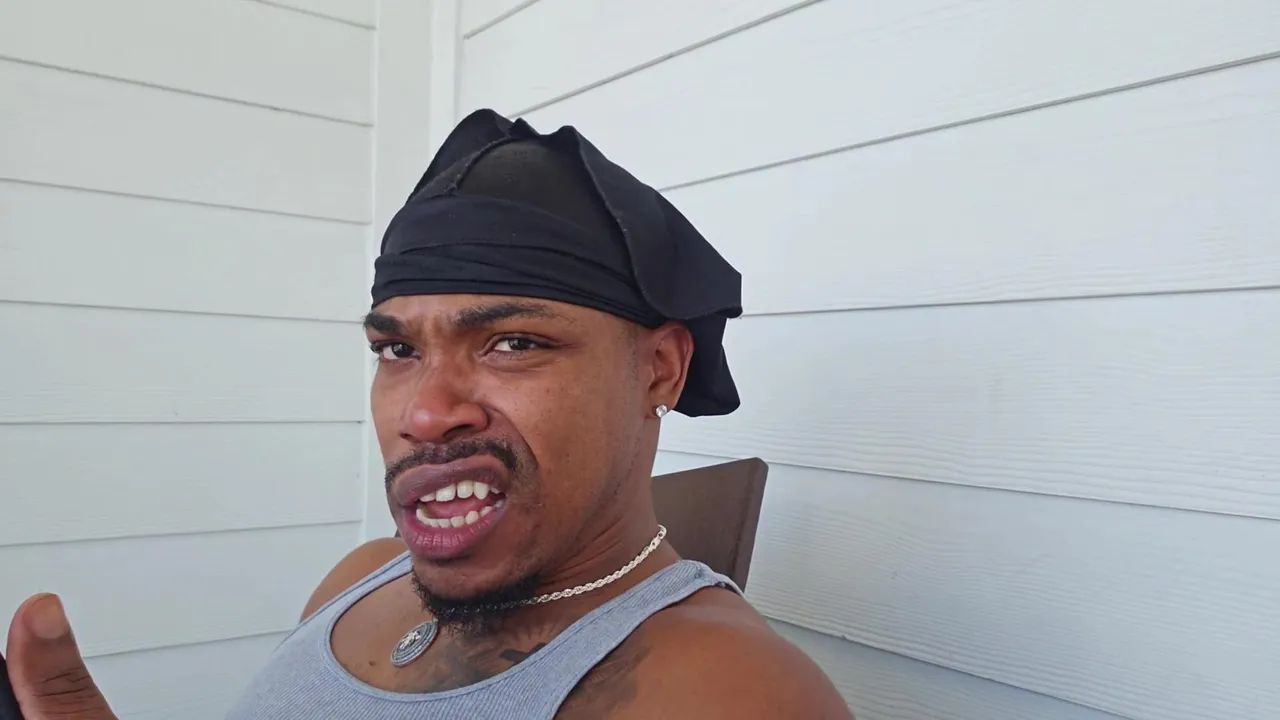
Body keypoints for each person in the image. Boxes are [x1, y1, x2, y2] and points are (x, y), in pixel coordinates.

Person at [4, 110, 853, 719]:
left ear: (659, 369)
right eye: (398, 349)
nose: (425, 411)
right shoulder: (361, 576)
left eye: (513, 343)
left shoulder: (722, 690)